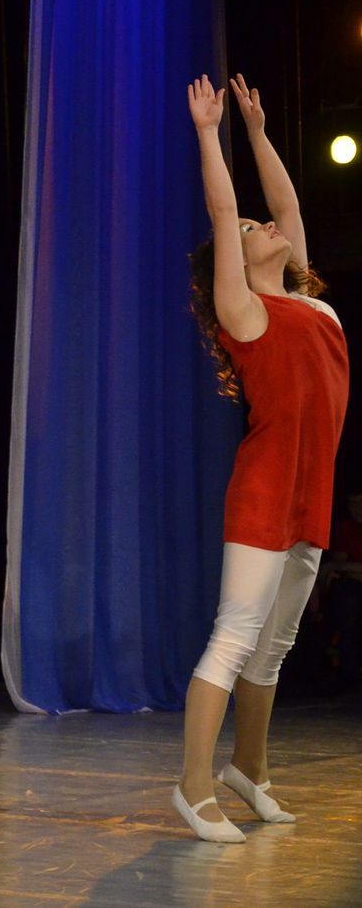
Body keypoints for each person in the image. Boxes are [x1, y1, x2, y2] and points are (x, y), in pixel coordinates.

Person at [174, 74, 348, 842]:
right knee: (235, 635)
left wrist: (257, 131)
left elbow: (291, 208)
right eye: (248, 229)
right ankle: (193, 787)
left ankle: (250, 768)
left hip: (313, 491)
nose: (262, 224)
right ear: (234, 263)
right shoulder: (245, 311)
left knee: (275, 646)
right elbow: (223, 211)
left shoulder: (307, 301)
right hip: (265, 489)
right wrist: (209, 134)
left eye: (258, 221)